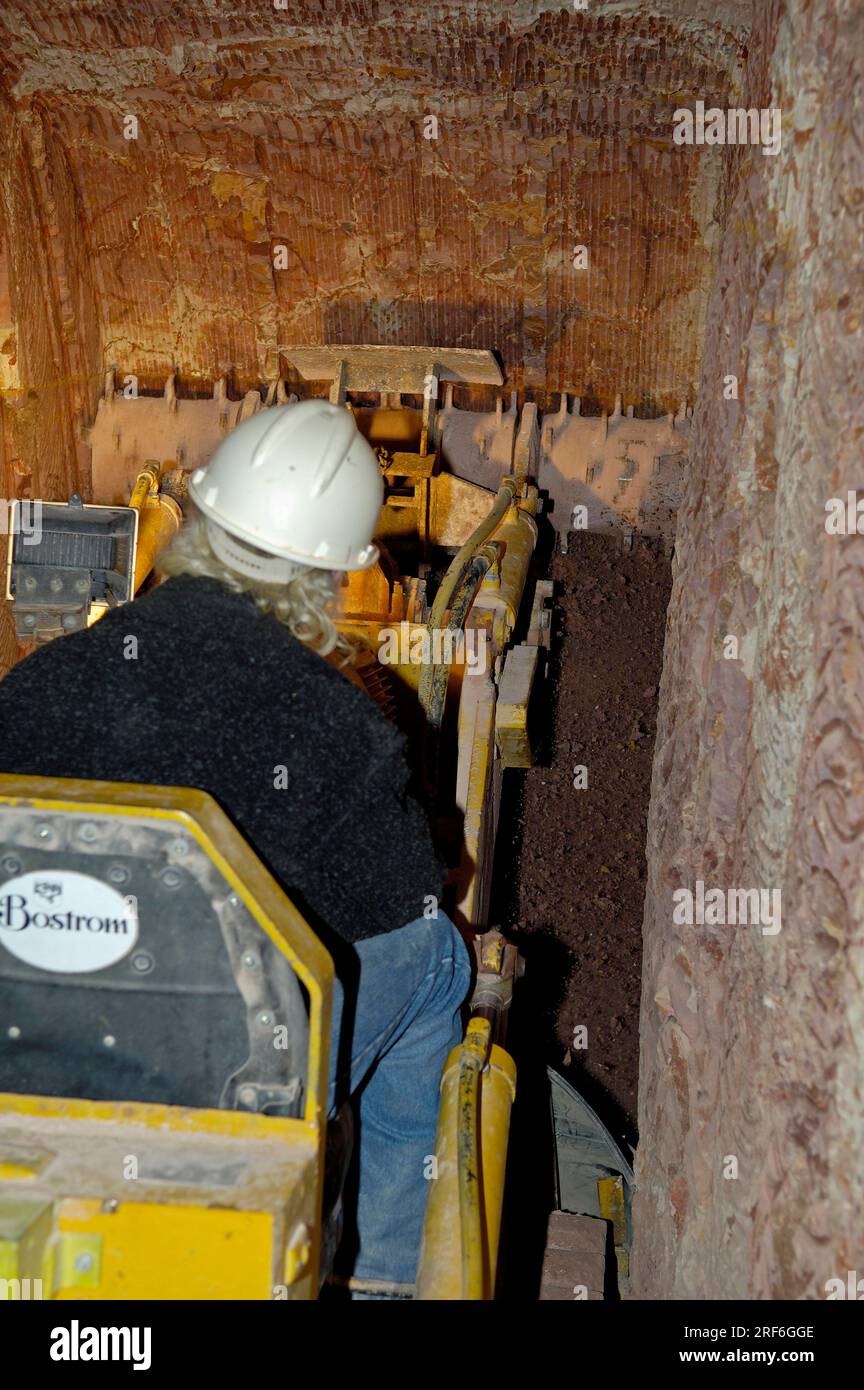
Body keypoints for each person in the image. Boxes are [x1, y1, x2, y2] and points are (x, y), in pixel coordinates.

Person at [0, 398, 472, 1298]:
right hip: (222, 1071)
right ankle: (386, 1274)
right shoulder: (338, 726)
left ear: (196, 524)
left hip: (29, 1039)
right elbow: (405, 901)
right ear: (334, 577)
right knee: (436, 958)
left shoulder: (40, 682)